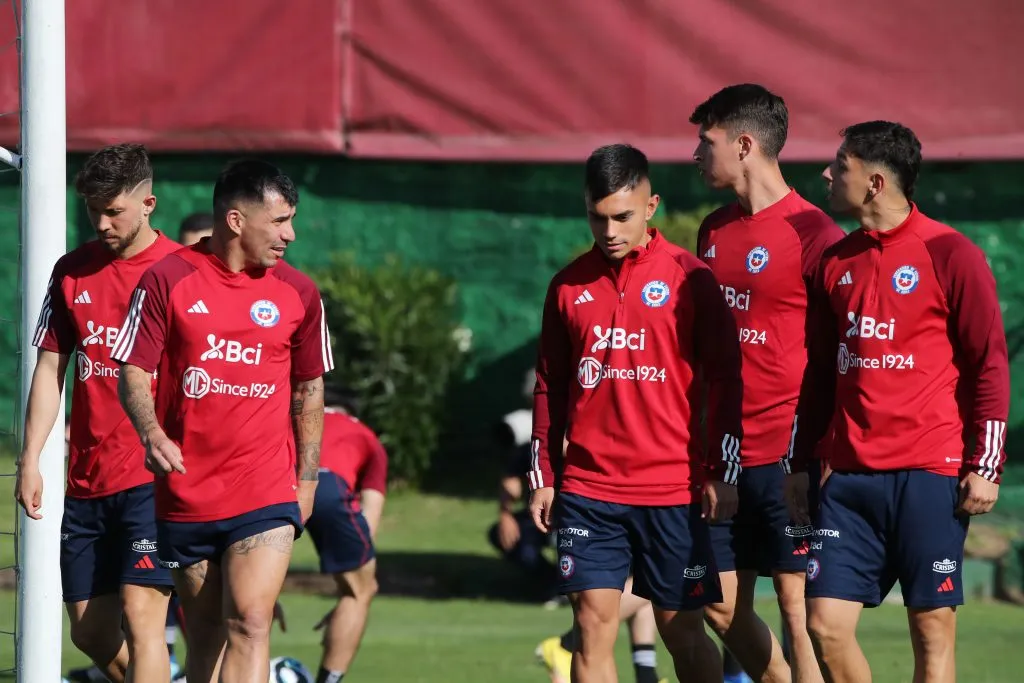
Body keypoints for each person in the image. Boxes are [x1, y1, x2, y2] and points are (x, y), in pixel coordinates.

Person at [784, 121, 1010, 683]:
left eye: (841, 165)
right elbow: (819, 374)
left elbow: (989, 364)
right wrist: (801, 462)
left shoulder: (951, 253)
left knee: (931, 632)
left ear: (876, 182)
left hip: (929, 474)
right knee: (824, 627)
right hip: (849, 479)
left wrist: (985, 466)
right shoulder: (835, 262)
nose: (827, 174)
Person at [111, 158, 334, 683]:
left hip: (265, 489)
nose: (290, 234)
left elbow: (309, 389)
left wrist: (306, 481)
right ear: (236, 220)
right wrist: (151, 432)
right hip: (187, 492)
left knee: (251, 622)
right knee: (206, 633)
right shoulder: (167, 279)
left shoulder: (299, 293)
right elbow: (133, 371)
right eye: (279, 222)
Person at [528, 143, 742, 683]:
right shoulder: (567, 285)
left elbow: (725, 381)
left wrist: (723, 471)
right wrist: (545, 475)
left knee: (682, 632)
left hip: (672, 489)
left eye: (622, 217)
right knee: (591, 626)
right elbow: (549, 386)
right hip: (588, 489)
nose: (609, 231)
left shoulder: (691, 278)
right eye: (596, 217)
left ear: (651, 206)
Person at [690, 83, 843, 683]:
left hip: (786, 454)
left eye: (707, 141)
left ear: (744, 145)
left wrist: (816, 455)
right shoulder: (712, 230)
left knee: (797, 610)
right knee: (718, 605)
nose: (697, 154)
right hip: (724, 453)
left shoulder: (815, 234)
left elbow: (835, 355)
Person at [17, 143, 180, 683]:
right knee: (89, 633)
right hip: (88, 479)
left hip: (154, 479)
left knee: (142, 616)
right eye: (93, 211)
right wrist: (30, 458)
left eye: (114, 211)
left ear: (148, 204)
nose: (102, 223)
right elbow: (50, 369)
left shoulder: (181, 272)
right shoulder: (72, 271)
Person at [305, 387, 387, 683]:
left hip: (272, 483)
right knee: (361, 590)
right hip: (327, 484)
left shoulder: (291, 417)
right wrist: (349, 599)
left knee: (242, 596)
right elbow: (367, 525)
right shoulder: (365, 435)